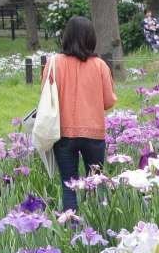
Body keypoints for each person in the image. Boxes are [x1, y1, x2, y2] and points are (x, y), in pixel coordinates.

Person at [50, 15, 117, 213]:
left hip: (63, 133)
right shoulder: (100, 66)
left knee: (69, 184)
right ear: (91, 38)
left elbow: (47, 97)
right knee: (95, 183)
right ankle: (96, 225)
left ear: (66, 37)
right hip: (94, 133)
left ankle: (71, 227)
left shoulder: (54, 63)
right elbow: (109, 101)